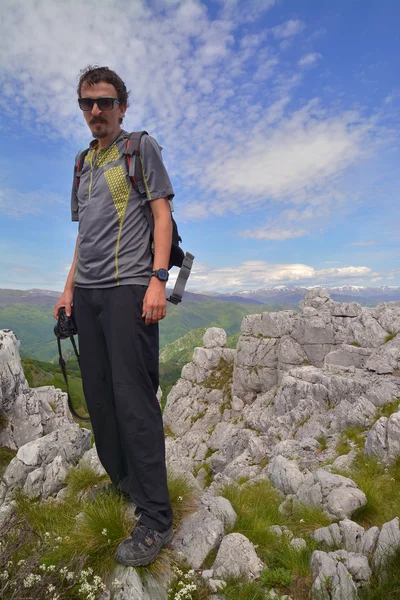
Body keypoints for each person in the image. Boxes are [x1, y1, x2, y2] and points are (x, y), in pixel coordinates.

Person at [54, 65, 174, 567]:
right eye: (88, 103)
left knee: (133, 401)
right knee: (101, 398)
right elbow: (83, 237)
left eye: (104, 102)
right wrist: (68, 293)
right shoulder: (82, 163)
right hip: (90, 293)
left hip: (130, 289)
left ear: (121, 107)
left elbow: (162, 213)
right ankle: (121, 482)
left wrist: (158, 279)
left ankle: (156, 518)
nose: (96, 111)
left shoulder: (139, 148)